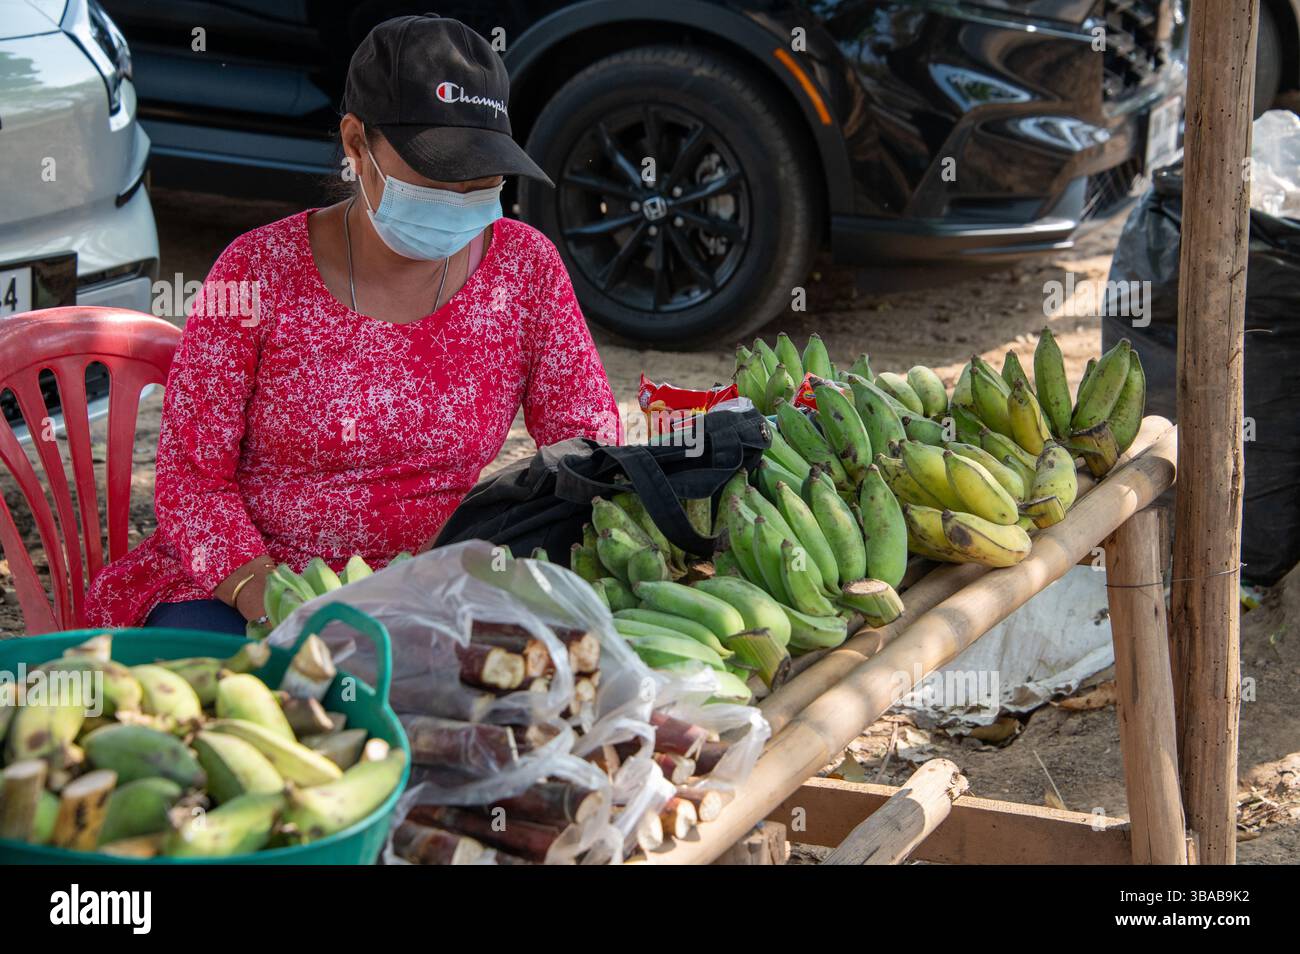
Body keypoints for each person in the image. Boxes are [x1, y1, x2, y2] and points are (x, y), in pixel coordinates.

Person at [86, 15, 620, 633]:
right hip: (236, 589)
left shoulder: (524, 269)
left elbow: (584, 447)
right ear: (355, 142)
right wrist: (281, 606)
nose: (462, 196)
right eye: (439, 173)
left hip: (431, 592)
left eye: (484, 180)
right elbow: (190, 480)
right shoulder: (256, 270)